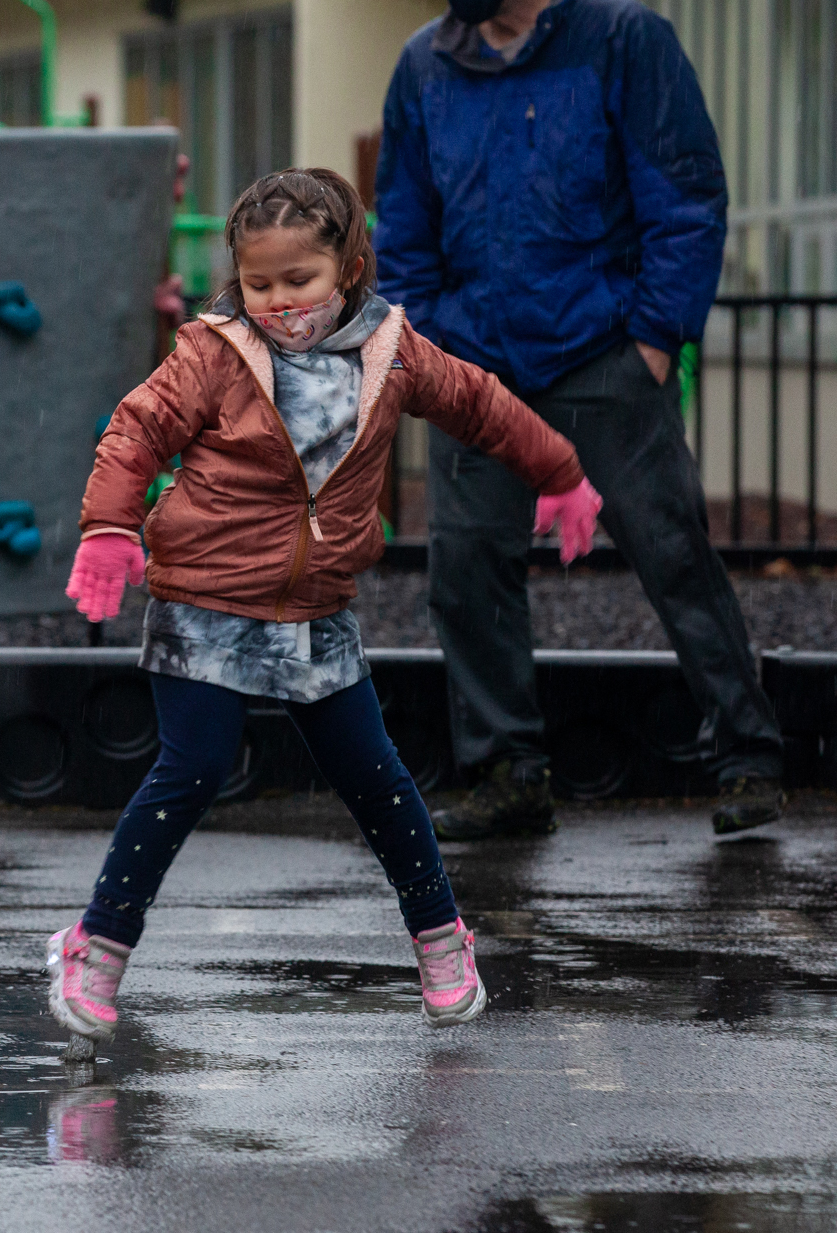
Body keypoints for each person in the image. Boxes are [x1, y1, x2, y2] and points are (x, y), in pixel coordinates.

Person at [49, 168, 601, 1047]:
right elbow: (137, 426)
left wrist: (559, 470)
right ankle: (98, 944)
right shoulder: (215, 351)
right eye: (259, 283)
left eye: (297, 280)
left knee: (375, 778)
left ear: (346, 268)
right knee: (191, 770)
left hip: (315, 607)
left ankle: (439, 939)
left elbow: (482, 405)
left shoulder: (391, 350)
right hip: (206, 599)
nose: (278, 302)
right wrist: (111, 524)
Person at [376, 0, 784, 840]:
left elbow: (685, 195)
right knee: (467, 569)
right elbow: (402, 219)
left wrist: (653, 338)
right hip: (475, 364)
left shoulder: (623, 38)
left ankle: (750, 757)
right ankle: (508, 772)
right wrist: (430, 344)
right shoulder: (424, 65)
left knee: (671, 550)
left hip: (601, 351)